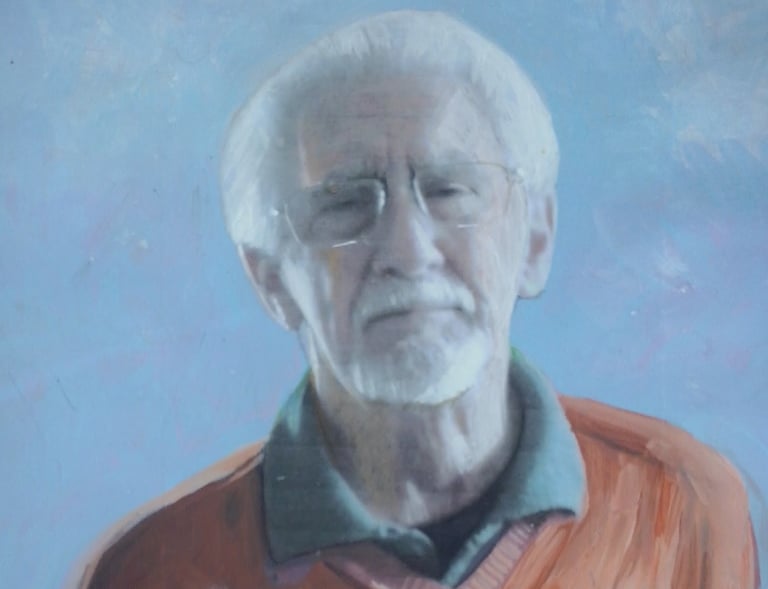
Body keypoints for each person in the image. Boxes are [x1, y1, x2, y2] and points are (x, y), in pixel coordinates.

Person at [71, 11, 759, 589]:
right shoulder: (154, 567)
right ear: (271, 280)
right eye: (344, 203)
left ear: (536, 237)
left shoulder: (684, 505)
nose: (407, 248)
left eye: (450, 189)